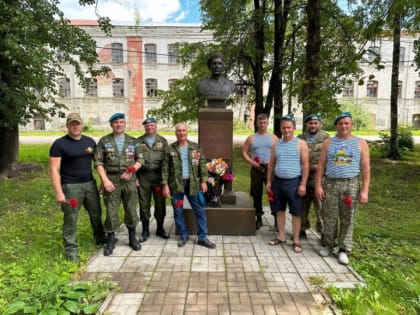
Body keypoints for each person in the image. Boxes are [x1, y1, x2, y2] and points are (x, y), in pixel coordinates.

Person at [49, 112, 106, 263]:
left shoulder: (89, 142)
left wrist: (102, 180)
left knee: (96, 213)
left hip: (89, 184)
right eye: (72, 124)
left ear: (82, 124)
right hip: (70, 186)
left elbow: (98, 163)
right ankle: (71, 252)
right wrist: (59, 192)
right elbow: (54, 169)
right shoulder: (59, 144)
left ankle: (100, 239)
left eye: (78, 123)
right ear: (67, 126)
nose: (75, 126)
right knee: (71, 218)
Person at [315, 112, 370, 265]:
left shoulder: (361, 143)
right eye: (340, 123)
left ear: (351, 125)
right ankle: (328, 244)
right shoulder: (328, 143)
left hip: (350, 184)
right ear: (336, 126)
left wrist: (365, 190)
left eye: (347, 123)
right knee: (329, 215)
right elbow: (320, 166)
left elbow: (365, 168)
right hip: (331, 183)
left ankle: (343, 249)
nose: (343, 126)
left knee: (348, 217)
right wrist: (318, 185)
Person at [161, 122, 216, 249]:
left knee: (200, 211)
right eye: (179, 131)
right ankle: (183, 235)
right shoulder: (169, 149)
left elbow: (202, 166)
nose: (181, 133)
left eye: (183, 130)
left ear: (187, 131)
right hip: (176, 186)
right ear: (176, 133)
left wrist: (203, 181)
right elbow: (164, 169)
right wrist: (165, 185)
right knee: (178, 211)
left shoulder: (196, 148)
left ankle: (202, 237)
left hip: (193, 185)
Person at [94, 112, 142, 256]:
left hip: (129, 180)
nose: (118, 125)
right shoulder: (104, 141)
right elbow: (98, 162)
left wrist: (131, 170)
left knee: (131, 209)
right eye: (116, 122)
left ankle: (132, 238)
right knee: (111, 211)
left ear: (125, 124)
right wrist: (105, 180)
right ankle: (110, 240)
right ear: (111, 124)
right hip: (111, 180)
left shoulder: (133, 142)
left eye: (121, 122)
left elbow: (140, 160)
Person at [266, 114, 309, 253]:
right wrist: (268, 181)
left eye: (289, 127)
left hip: (294, 182)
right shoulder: (275, 144)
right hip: (278, 182)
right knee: (279, 210)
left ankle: (296, 240)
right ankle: (281, 236)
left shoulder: (301, 144)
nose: (286, 130)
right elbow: (271, 164)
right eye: (284, 127)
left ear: (294, 128)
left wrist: (303, 184)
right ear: (280, 129)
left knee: (296, 212)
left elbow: (306, 165)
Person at [242, 113, 278, 230]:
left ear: (267, 123)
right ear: (257, 123)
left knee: (272, 193)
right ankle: (259, 218)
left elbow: (279, 152)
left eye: (264, 122)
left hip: (270, 169)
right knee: (256, 193)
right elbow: (244, 153)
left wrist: (271, 161)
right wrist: (254, 163)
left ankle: (277, 218)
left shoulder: (273, 138)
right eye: (260, 122)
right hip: (257, 169)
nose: (262, 124)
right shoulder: (251, 138)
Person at [136, 117, 169, 242]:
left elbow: (166, 162)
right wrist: (135, 178)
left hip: (158, 177)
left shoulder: (163, 141)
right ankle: (145, 231)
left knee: (160, 204)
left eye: (152, 125)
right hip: (143, 177)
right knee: (144, 204)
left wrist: (166, 181)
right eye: (147, 126)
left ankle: (160, 229)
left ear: (156, 126)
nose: (150, 127)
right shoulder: (138, 141)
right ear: (144, 127)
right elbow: (132, 160)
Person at [297, 113, 330, 240]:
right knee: (302, 207)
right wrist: (307, 167)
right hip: (303, 179)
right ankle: (301, 229)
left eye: (316, 123)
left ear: (319, 124)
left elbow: (330, 157)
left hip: (320, 180)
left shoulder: (326, 138)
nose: (313, 125)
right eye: (310, 123)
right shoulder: (300, 138)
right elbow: (296, 158)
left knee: (321, 209)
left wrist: (321, 168)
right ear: (306, 124)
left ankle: (323, 233)